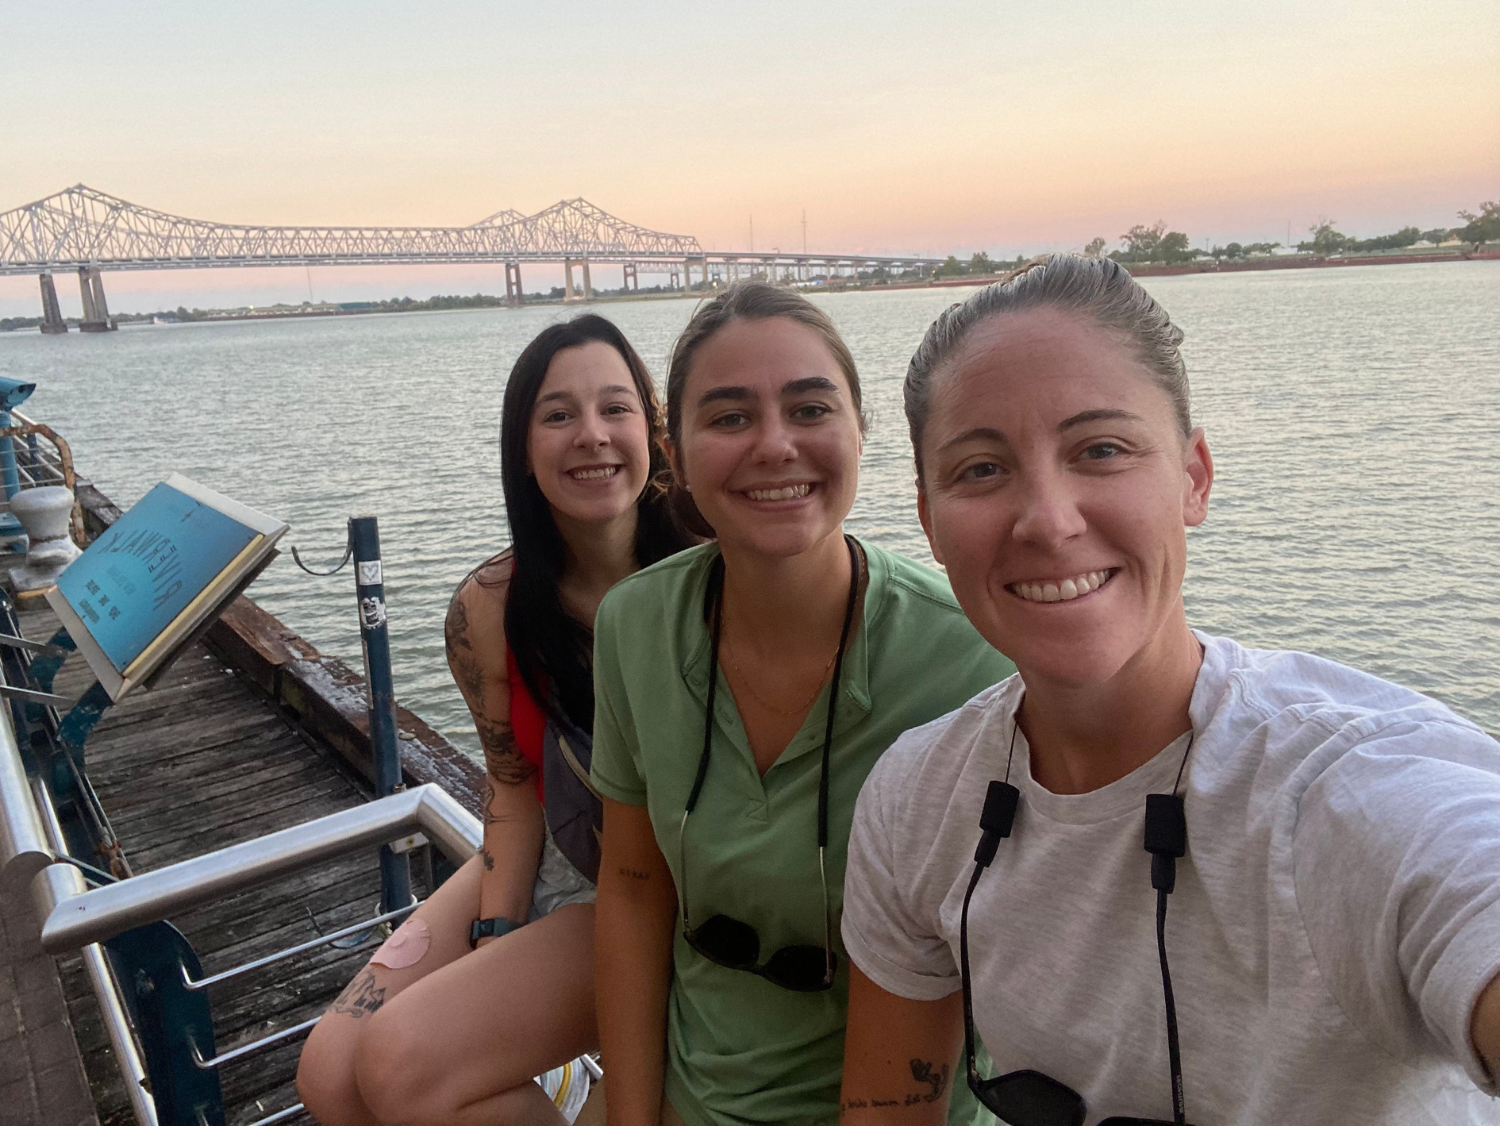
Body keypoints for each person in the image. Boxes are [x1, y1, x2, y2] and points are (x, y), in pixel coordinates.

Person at [837, 255, 1500, 1124]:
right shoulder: (917, 801)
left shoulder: (1348, 791)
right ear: (928, 520)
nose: (1047, 518)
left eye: (1100, 450)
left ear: (1194, 478)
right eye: (981, 470)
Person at [584, 282, 1015, 1126]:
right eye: (731, 417)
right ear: (676, 449)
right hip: (692, 1091)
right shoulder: (634, 624)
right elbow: (634, 888)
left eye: (811, 408)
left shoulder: (971, 658)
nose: (775, 445)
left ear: (861, 431)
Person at [297, 314, 693, 1126]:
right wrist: (497, 927)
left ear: (652, 431)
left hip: (656, 882)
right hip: (554, 849)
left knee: (405, 1071)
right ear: (522, 447)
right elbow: (512, 786)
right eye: (558, 415)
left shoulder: (709, 575)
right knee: (331, 1074)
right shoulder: (492, 606)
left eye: (616, 409)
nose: (592, 436)